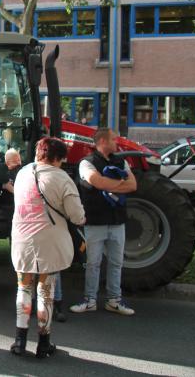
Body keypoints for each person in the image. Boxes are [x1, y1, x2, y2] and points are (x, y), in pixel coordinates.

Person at [9, 137, 85, 358]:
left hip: (22, 239)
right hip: (50, 243)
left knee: (23, 288)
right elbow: (77, 216)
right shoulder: (62, 178)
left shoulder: (23, 173)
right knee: (45, 293)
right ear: (58, 158)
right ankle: (44, 343)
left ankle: (19, 341)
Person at [70, 127, 137, 316]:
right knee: (93, 263)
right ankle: (90, 300)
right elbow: (96, 182)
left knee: (116, 262)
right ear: (102, 142)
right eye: (114, 139)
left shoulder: (121, 161)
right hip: (95, 221)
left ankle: (113, 300)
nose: (118, 143)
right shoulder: (86, 163)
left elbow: (134, 185)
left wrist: (107, 184)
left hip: (117, 221)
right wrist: (120, 185)